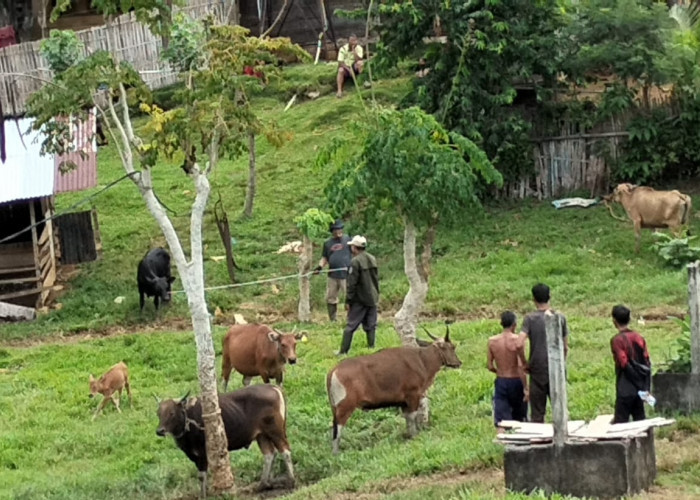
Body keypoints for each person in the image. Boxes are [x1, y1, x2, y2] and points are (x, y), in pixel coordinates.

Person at [519, 283, 569, 423]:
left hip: (537, 368)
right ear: (549, 297)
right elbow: (565, 347)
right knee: (559, 408)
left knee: (537, 412)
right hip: (556, 368)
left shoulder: (530, 319)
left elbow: (518, 343)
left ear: (533, 299)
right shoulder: (560, 317)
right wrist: (561, 363)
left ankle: (538, 441)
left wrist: (524, 363)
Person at [488, 311, 529, 432]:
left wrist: (499, 371)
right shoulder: (517, 341)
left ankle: (500, 443)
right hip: (516, 381)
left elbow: (489, 365)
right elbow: (520, 366)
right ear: (514, 325)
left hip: (501, 381)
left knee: (501, 420)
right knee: (520, 418)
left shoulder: (492, 341)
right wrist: (526, 387)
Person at [337, 235, 378, 355]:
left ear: (355, 247)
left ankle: (343, 351)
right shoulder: (372, 258)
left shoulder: (355, 261)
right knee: (371, 325)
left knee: (350, 326)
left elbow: (352, 284)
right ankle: (372, 348)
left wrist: (348, 301)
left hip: (360, 299)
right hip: (372, 298)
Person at [610, 304, 651, 423]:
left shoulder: (617, 340)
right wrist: (644, 387)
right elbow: (647, 362)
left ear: (614, 321)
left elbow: (624, 363)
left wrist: (637, 384)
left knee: (620, 424)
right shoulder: (638, 337)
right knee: (640, 421)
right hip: (641, 388)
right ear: (630, 319)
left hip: (626, 387)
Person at [313, 219, 352, 322]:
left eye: (340, 229)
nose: (338, 231)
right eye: (336, 229)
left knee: (350, 296)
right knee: (331, 297)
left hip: (346, 274)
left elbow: (355, 252)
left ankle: (351, 318)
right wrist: (319, 267)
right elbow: (325, 257)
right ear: (332, 231)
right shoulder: (327, 243)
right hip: (333, 275)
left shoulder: (347, 239)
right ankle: (333, 319)